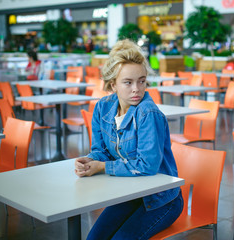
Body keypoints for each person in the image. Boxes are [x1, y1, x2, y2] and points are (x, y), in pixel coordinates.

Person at [74, 39, 183, 240]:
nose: (136, 89)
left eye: (141, 81)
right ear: (112, 84)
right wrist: (91, 161)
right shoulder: (102, 107)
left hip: (161, 200)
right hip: (129, 194)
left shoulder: (147, 113)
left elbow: (147, 166)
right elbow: (101, 151)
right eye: (128, 82)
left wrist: (102, 167)